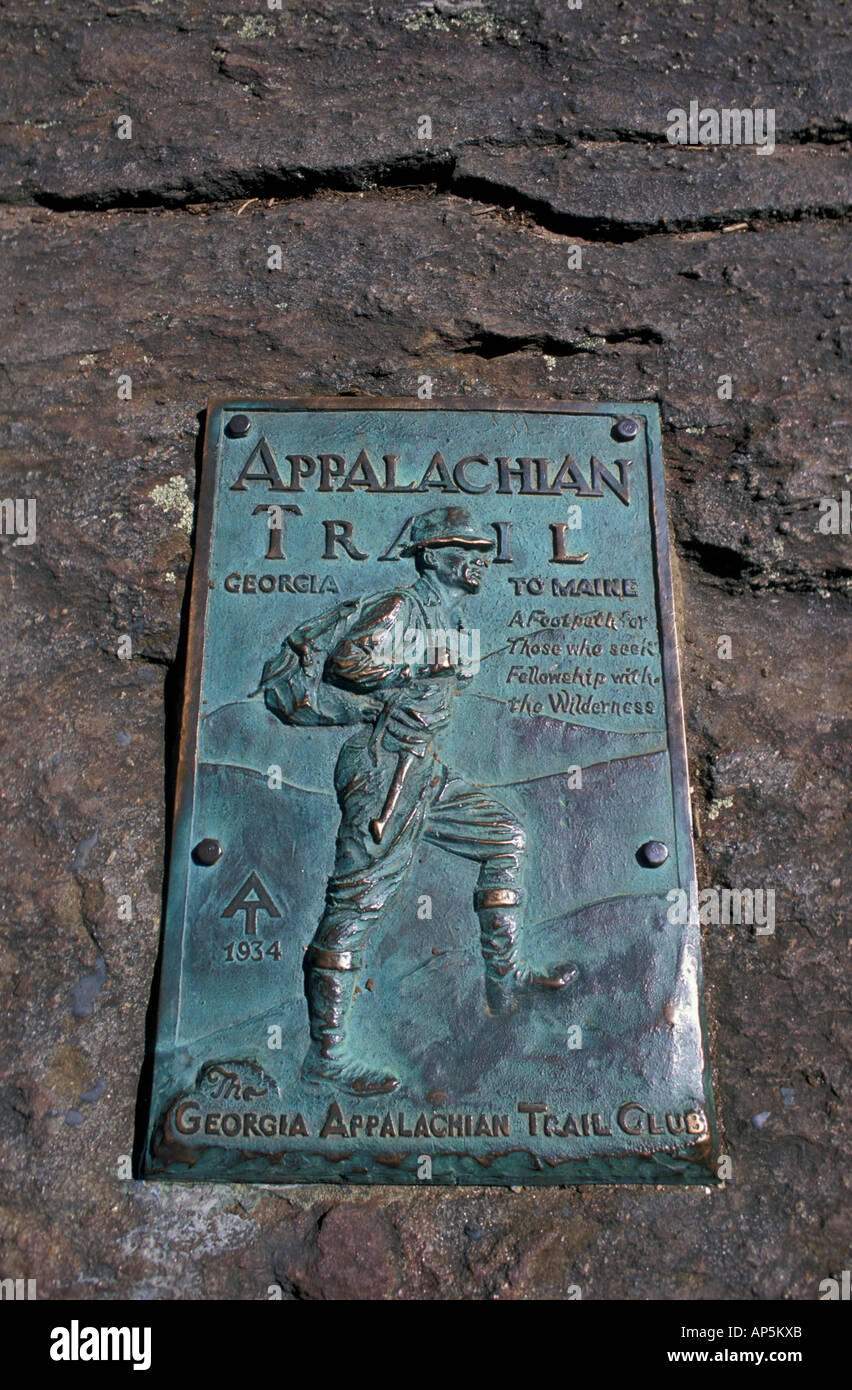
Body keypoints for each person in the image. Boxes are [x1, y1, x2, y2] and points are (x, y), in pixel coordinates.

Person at [298, 505, 577, 1095]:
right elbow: (348, 661)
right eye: (466, 551)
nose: (479, 562)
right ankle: (327, 1052)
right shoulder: (402, 606)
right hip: (384, 770)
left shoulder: (443, 614)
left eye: (483, 552)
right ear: (431, 557)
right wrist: (429, 658)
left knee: (505, 836)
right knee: (358, 903)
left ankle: (504, 977)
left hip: (424, 767)